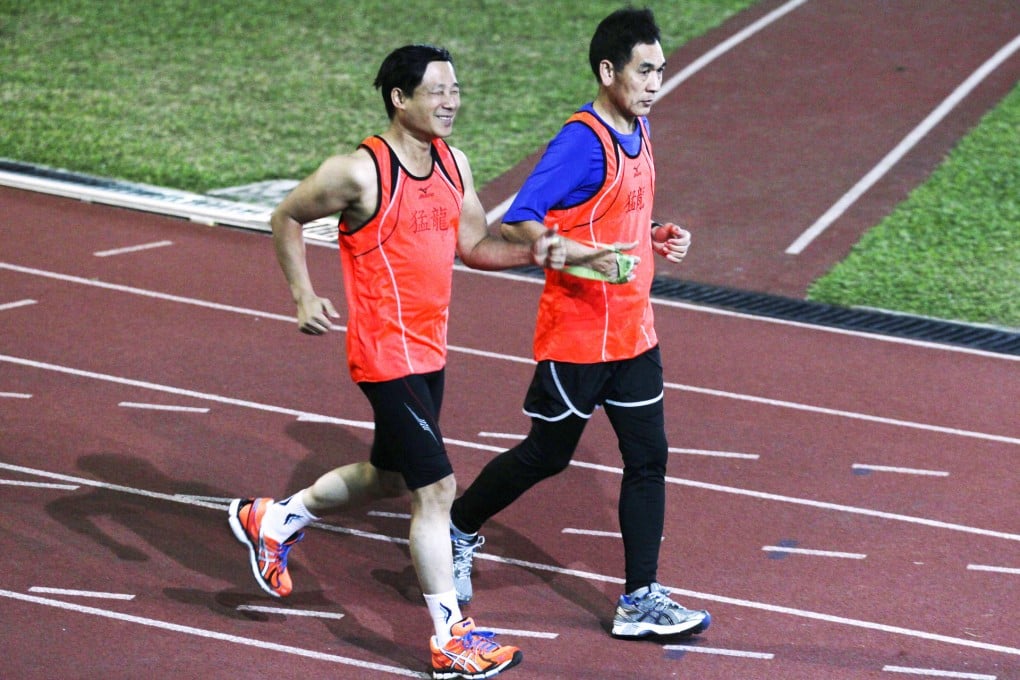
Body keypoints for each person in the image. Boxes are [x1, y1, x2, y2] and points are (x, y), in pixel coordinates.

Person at [227, 44, 563, 679]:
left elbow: (473, 246)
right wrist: (303, 293)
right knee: (436, 489)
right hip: (384, 353)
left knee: (390, 477)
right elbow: (287, 216)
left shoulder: (454, 163)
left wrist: (533, 254)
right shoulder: (359, 173)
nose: (451, 101)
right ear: (399, 99)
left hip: (430, 350)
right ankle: (449, 638)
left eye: (456, 89)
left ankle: (273, 518)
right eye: (436, 91)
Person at [448, 8, 712, 640]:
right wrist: (582, 257)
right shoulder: (581, 141)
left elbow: (605, 216)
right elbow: (523, 221)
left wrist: (652, 235)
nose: (655, 84)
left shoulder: (640, 131)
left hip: (633, 333)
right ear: (607, 70)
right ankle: (456, 529)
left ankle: (639, 600)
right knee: (547, 455)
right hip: (578, 336)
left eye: (661, 72)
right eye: (644, 71)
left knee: (649, 458)